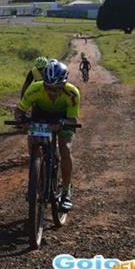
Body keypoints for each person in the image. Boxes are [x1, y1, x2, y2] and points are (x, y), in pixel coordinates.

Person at [14, 59, 81, 212]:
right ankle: (36, 180)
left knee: (65, 148)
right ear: (43, 83)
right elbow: (19, 111)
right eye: (48, 87)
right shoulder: (35, 89)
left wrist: (61, 124)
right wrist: (21, 120)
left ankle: (66, 192)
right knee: (33, 143)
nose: (52, 92)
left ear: (64, 84)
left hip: (63, 118)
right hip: (41, 115)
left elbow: (72, 119)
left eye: (57, 89)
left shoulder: (72, 93)